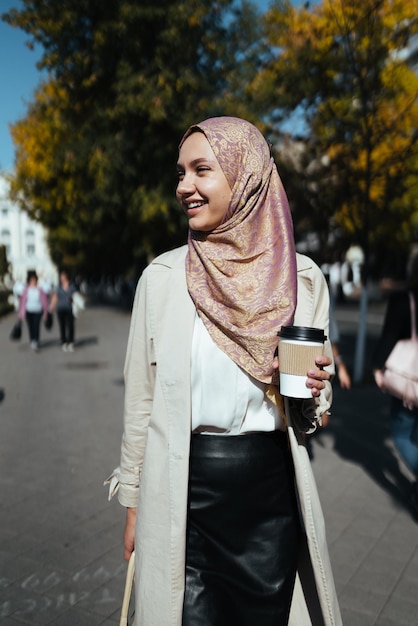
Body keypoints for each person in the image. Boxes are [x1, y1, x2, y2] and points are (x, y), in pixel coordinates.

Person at [107, 117, 342, 625]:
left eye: (201, 170)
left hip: (269, 500)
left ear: (246, 176)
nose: (183, 186)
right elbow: (140, 402)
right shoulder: (163, 278)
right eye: (180, 172)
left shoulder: (301, 278)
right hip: (182, 497)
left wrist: (315, 389)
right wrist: (133, 505)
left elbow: (311, 413)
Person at [373, 253, 418, 521]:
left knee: (402, 434)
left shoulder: (405, 300)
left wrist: (377, 368)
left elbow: (389, 335)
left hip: (407, 385)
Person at [18, 270, 49, 351]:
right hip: (29, 311)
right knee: (30, 327)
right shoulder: (26, 290)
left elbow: (44, 301)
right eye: (32, 280)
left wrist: (45, 312)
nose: (33, 281)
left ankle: (36, 340)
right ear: (29, 281)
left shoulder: (40, 289)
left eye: (34, 280)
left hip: (38, 310)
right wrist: (21, 313)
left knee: (36, 326)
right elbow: (22, 302)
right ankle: (32, 340)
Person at [50, 270, 78, 352]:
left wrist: (72, 299)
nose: (61, 278)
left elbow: (76, 296)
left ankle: (71, 342)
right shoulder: (58, 287)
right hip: (61, 309)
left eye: (63, 276)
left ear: (66, 277)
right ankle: (64, 342)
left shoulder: (72, 286)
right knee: (62, 326)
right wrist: (52, 306)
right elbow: (55, 297)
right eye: (61, 276)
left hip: (70, 309)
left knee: (70, 325)